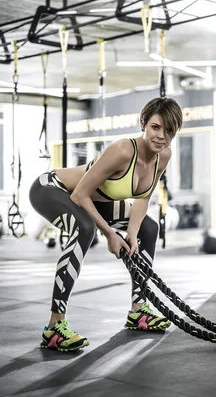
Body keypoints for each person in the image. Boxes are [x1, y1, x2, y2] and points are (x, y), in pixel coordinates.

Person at [28, 97, 183, 352]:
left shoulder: (163, 155)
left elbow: (143, 198)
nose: (161, 136)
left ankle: (138, 311)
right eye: (156, 127)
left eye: (169, 131)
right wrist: (111, 234)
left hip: (91, 199)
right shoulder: (123, 150)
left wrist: (131, 234)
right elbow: (79, 195)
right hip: (52, 189)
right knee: (85, 228)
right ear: (143, 123)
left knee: (149, 228)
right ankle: (54, 327)